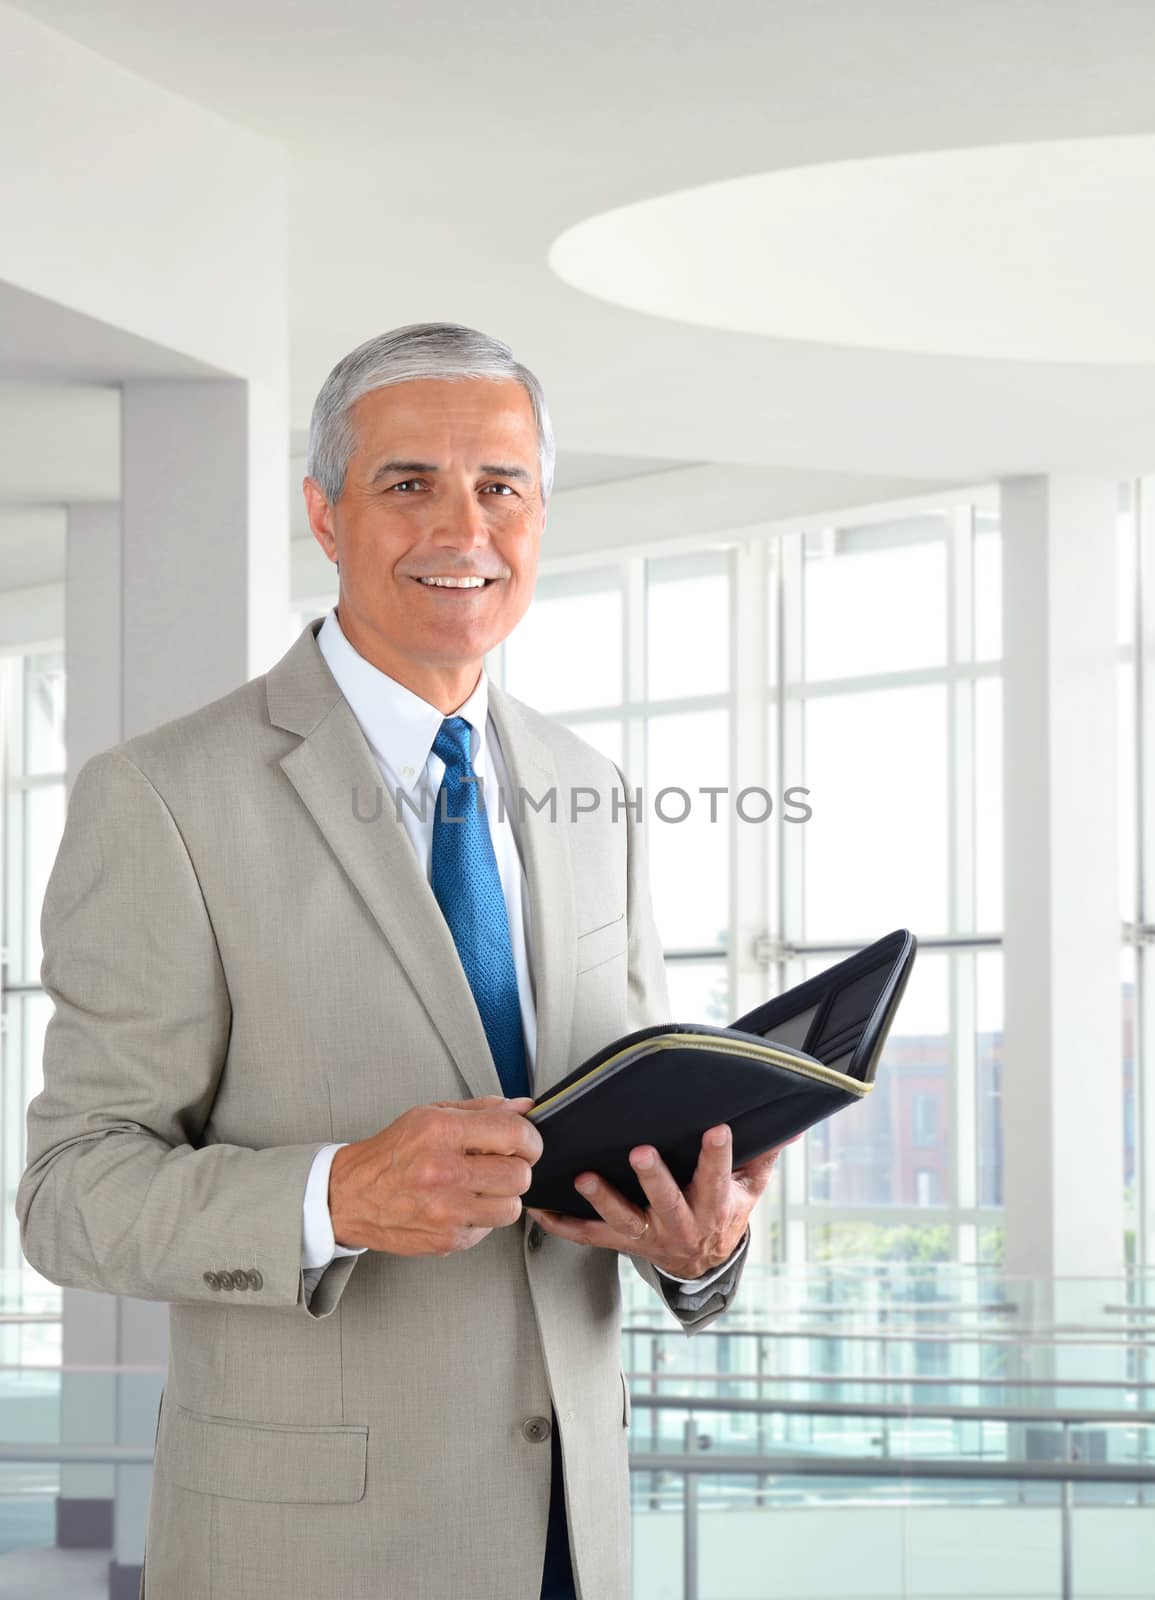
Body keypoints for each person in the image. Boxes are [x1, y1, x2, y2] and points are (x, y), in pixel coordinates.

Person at [17, 323, 783, 1600]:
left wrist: (697, 1242)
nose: (461, 526)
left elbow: (626, 1120)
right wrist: (333, 1196)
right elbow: (68, 1191)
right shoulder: (160, 797)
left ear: (541, 514)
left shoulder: (598, 792)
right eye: (408, 482)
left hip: (569, 1537)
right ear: (325, 513)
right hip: (306, 1548)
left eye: (500, 486)